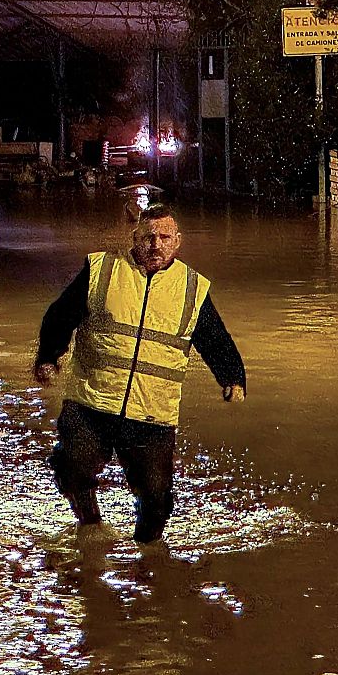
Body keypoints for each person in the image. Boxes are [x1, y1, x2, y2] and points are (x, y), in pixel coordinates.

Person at [34, 204, 246, 545]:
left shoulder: (192, 289)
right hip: (92, 401)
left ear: (177, 242)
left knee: (157, 499)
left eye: (164, 238)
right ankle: (89, 527)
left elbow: (214, 338)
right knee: (71, 467)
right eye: (148, 237)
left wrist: (232, 377)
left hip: (152, 413)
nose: (155, 245)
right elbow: (60, 315)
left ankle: (148, 553)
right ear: (135, 238)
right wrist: (49, 357)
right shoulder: (102, 269)